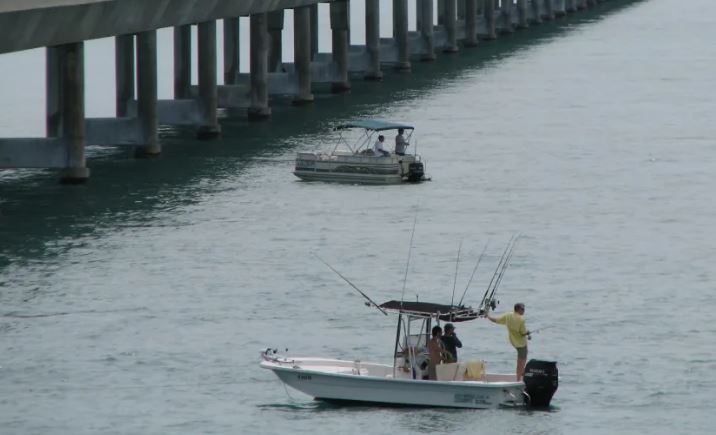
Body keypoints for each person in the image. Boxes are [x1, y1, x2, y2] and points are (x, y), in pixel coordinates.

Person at [487, 303, 530, 381]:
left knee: (521, 361)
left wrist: (488, 316)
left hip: (513, 342)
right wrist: (527, 333)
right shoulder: (521, 319)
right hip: (521, 344)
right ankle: (518, 380)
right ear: (518, 309)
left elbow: (497, 320)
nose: (524, 311)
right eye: (522, 309)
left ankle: (521, 375)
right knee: (521, 363)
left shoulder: (508, 315)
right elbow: (523, 333)